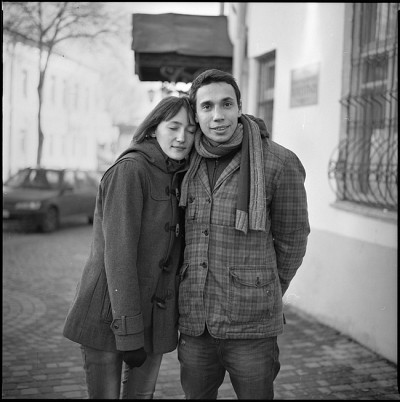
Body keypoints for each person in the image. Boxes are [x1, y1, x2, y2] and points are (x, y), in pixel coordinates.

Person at [177, 69, 310, 400]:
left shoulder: (278, 161)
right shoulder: (184, 161)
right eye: (207, 106)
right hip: (196, 322)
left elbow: (293, 239)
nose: (218, 116)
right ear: (196, 113)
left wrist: (265, 287)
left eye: (226, 104)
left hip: (252, 324)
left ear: (239, 107)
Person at [63, 95, 196, 399]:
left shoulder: (177, 172)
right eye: (173, 127)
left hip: (152, 320)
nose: (182, 137)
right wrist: (129, 332)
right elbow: (119, 257)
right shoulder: (130, 170)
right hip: (109, 316)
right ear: (153, 128)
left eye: (191, 130)